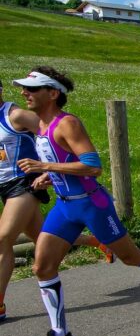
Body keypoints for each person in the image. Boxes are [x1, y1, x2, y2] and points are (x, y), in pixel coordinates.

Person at [15, 68, 140, 336]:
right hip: (65, 205)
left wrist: (45, 168)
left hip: (91, 204)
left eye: (31, 89)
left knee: (130, 257)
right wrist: (51, 176)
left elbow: (92, 165)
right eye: (24, 89)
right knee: (42, 266)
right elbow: (63, 160)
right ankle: (60, 334)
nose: (24, 93)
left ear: (53, 93)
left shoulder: (67, 123)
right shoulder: (41, 126)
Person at [1, 82, 111, 323]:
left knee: (3, 238)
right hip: (4, 184)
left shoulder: (15, 115)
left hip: (25, 183)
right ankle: (99, 242)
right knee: (41, 237)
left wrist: (48, 167)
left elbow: (48, 131)